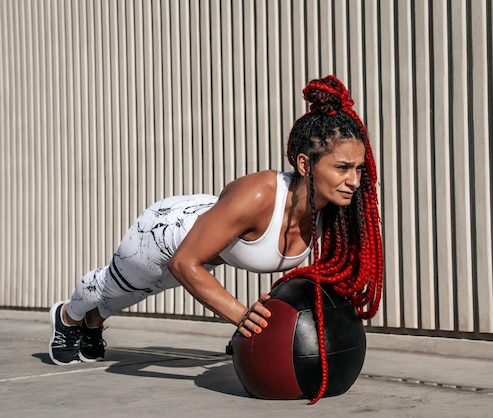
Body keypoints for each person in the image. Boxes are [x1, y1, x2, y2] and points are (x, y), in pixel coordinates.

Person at [49, 75, 384, 403]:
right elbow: (183, 262)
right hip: (165, 234)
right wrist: (240, 315)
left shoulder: (334, 211)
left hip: (206, 250)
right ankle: (67, 317)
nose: (354, 181)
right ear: (305, 164)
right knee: (113, 286)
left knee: (137, 293)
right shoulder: (258, 196)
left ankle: (93, 321)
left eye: (358, 169)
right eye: (342, 168)